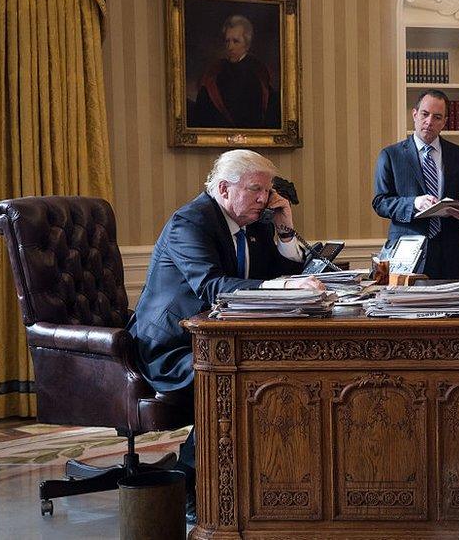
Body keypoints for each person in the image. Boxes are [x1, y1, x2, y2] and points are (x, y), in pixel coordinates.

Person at [127, 150, 323, 523]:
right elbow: (213, 286)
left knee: (277, 375)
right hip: (171, 346)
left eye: (267, 191)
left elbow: (279, 272)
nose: (264, 200)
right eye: (255, 190)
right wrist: (281, 286)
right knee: (231, 381)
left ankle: (269, 480)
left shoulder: (256, 222)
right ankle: (190, 482)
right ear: (223, 189)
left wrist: (284, 228)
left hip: (220, 342)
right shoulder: (191, 222)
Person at [372, 89, 459, 279]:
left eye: (437, 117)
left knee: (457, 307)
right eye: (425, 114)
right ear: (415, 115)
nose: (429, 122)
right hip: (408, 252)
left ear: (444, 122)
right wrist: (414, 203)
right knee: (408, 307)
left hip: (452, 253)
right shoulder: (391, 155)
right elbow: (380, 202)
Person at [189, 14, 280, 129]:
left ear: (247, 44)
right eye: (227, 41)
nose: (230, 47)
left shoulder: (258, 71)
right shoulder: (215, 70)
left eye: (235, 41)